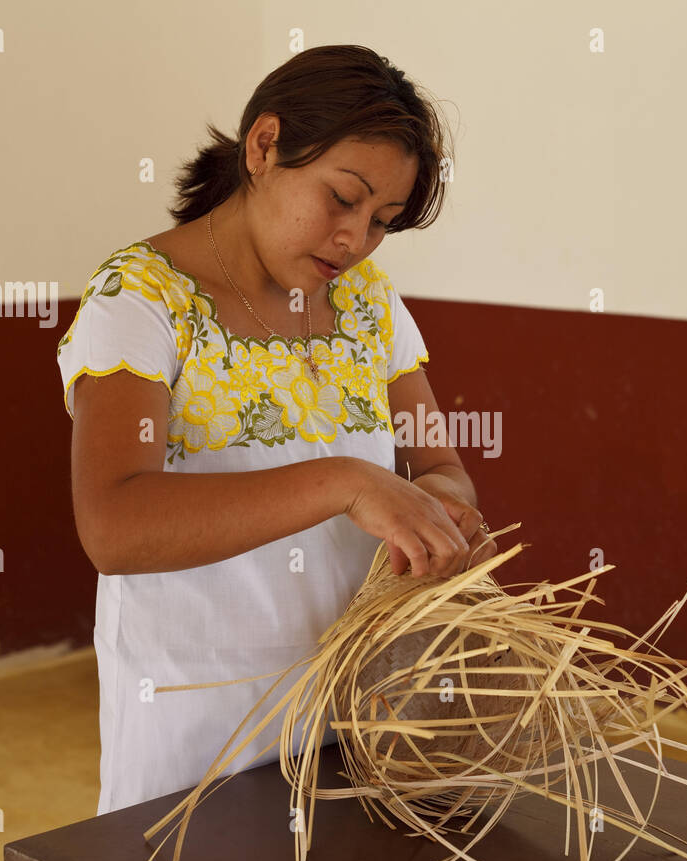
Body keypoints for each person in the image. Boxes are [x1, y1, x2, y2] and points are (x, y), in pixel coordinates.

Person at [54, 45, 497, 815]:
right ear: (263, 147)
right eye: (341, 198)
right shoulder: (141, 298)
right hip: (199, 742)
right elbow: (113, 525)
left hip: (357, 723)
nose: (354, 239)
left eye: (383, 221)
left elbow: (440, 466)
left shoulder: (368, 304)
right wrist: (347, 483)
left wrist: (442, 510)